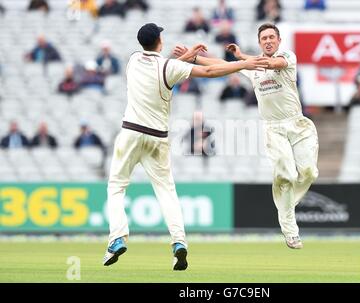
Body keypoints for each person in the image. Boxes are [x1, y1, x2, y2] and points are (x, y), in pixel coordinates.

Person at [103, 23, 268, 270]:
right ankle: (179, 242)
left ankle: (117, 237)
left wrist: (187, 56)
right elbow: (210, 71)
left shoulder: (133, 60)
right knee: (166, 191)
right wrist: (243, 64)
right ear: (159, 42)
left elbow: (161, 65)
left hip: (130, 133)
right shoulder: (170, 67)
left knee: (116, 186)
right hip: (157, 138)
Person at [173, 23, 319, 250]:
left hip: (298, 124)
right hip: (274, 127)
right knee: (286, 173)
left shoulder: (287, 56)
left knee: (309, 172)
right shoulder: (251, 67)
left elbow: (274, 63)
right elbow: (222, 65)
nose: (269, 41)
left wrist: (242, 57)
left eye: (272, 37)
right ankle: (289, 227)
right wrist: (194, 59)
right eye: (264, 38)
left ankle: (286, 208)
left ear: (279, 41)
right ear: (260, 42)